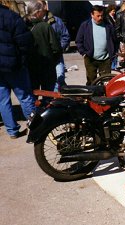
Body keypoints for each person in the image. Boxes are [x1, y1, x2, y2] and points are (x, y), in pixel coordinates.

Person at [0, 0, 35, 139]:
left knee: (3, 101)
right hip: (14, 66)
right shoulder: (11, 16)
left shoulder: (11, 17)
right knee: (25, 97)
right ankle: (35, 127)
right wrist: (22, 60)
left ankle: (12, 131)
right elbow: (25, 42)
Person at [25, 1, 62, 93]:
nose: (44, 12)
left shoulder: (22, 25)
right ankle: (47, 107)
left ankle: (35, 108)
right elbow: (56, 48)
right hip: (47, 67)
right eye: (42, 11)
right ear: (37, 12)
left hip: (30, 68)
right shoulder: (46, 27)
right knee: (48, 95)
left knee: (33, 95)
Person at [76, 5, 117, 85]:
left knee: (106, 82)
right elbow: (78, 41)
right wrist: (84, 53)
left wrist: (113, 52)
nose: (100, 18)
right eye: (98, 16)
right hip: (90, 58)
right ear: (92, 15)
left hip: (105, 59)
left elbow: (115, 40)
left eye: (101, 15)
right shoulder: (85, 26)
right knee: (92, 81)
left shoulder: (108, 26)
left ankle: (104, 97)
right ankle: (92, 96)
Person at [40, 0, 70, 92]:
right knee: (45, 80)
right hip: (42, 57)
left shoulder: (57, 21)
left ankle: (59, 100)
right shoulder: (33, 21)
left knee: (59, 78)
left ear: (45, 7)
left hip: (56, 56)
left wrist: (58, 49)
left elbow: (65, 36)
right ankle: (50, 100)